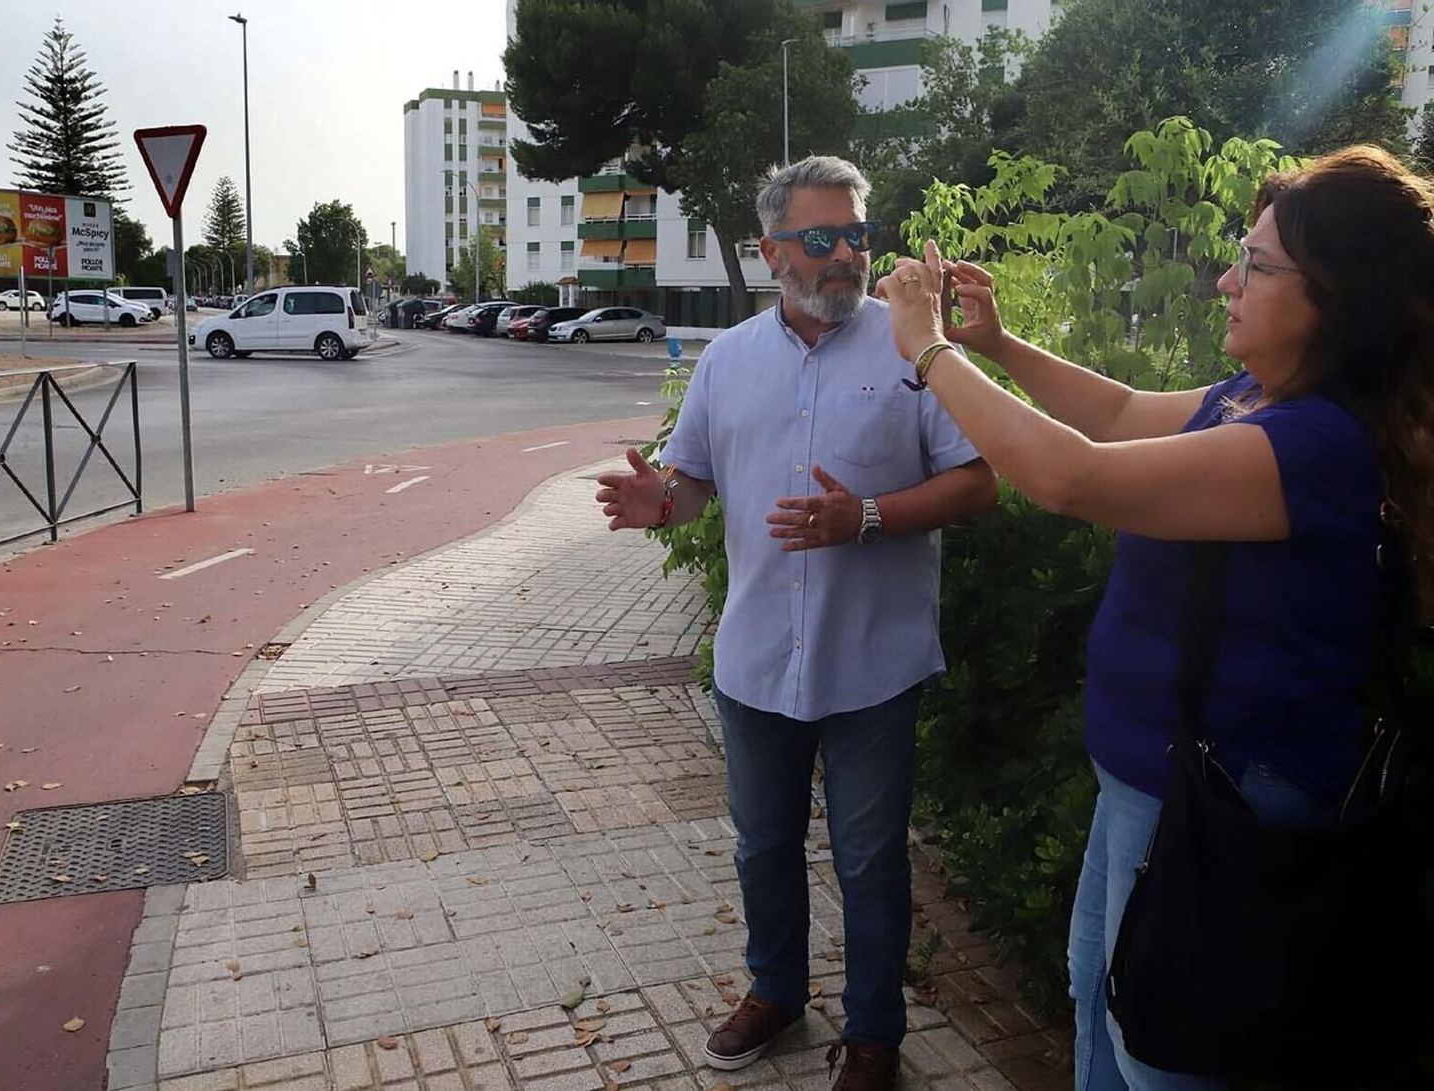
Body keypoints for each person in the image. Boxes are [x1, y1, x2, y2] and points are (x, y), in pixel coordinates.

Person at [873, 145, 1434, 1089]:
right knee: (1102, 1008)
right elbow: (1123, 411)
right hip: (1153, 784)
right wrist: (996, 344)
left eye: (1256, 265)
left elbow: (1069, 476)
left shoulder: (1316, 445)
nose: (1227, 278)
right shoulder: (1254, 402)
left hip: (1223, 804)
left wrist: (926, 349)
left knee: (1164, 1053)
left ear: (1341, 298)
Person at [595, 156, 998, 1090]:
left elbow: (980, 481)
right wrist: (663, 500)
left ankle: (872, 1035)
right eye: (822, 239)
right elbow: (694, 489)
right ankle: (775, 990)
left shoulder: (915, 350)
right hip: (757, 665)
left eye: (858, 234)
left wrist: (866, 517)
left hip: (875, 668)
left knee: (869, 861)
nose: (847, 256)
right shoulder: (727, 360)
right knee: (763, 847)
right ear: (773, 250)